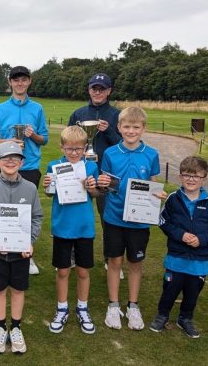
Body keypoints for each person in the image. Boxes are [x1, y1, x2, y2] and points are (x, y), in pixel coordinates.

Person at [97, 107, 166, 331]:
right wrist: (103, 184)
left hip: (139, 220)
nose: (131, 131)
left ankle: (133, 306)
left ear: (143, 128)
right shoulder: (110, 153)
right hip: (114, 217)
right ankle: (113, 304)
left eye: (136, 127)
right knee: (115, 262)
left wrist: (158, 195)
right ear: (119, 127)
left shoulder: (151, 154)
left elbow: (153, 182)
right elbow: (106, 184)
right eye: (126, 126)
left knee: (136, 263)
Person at [0, 141, 43, 354]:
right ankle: (1, 327)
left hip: (21, 252)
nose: (10, 161)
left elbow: (37, 217)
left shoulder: (30, 189)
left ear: (22, 162)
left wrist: (29, 241)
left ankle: (16, 327)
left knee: (19, 289)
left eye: (15, 158)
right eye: (5, 158)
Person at [0, 65, 48, 275]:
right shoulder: (1, 109)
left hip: (28, 166)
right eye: (16, 80)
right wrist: (8, 141)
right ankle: (0, 251)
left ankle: (26, 253)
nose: (20, 83)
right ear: (10, 83)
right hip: (5, 165)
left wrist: (33, 135)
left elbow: (44, 139)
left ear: (29, 81)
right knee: (1, 210)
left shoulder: (37, 108)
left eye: (24, 79)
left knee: (26, 212)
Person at [149, 156, 208, 338]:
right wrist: (180, 235)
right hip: (176, 259)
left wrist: (201, 239)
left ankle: (185, 319)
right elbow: (163, 221)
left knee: (192, 294)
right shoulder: (173, 199)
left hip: (199, 261)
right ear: (180, 177)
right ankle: (162, 316)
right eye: (187, 175)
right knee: (169, 291)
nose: (191, 179)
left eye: (196, 176)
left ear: (204, 178)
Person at [42, 126, 100, 335]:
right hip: (62, 227)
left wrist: (91, 186)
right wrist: (48, 184)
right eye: (69, 148)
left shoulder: (91, 167)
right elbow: (50, 194)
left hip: (84, 227)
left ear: (85, 148)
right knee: (63, 270)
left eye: (78, 149)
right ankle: (62, 307)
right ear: (62, 147)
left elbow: (95, 194)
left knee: (83, 271)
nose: (74, 153)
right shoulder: (53, 165)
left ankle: (82, 308)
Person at [68, 73, 122, 276]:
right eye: (94, 88)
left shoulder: (117, 115)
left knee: (108, 218)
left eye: (102, 89)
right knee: (78, 215)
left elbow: (123, 144)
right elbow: (68, 142)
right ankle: (73, 255)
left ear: (109, 91)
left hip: (107, 175)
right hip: (81, 174)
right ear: (89, 90)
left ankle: (110, 258)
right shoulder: (79, 113)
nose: (98, 92)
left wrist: (108, 131)